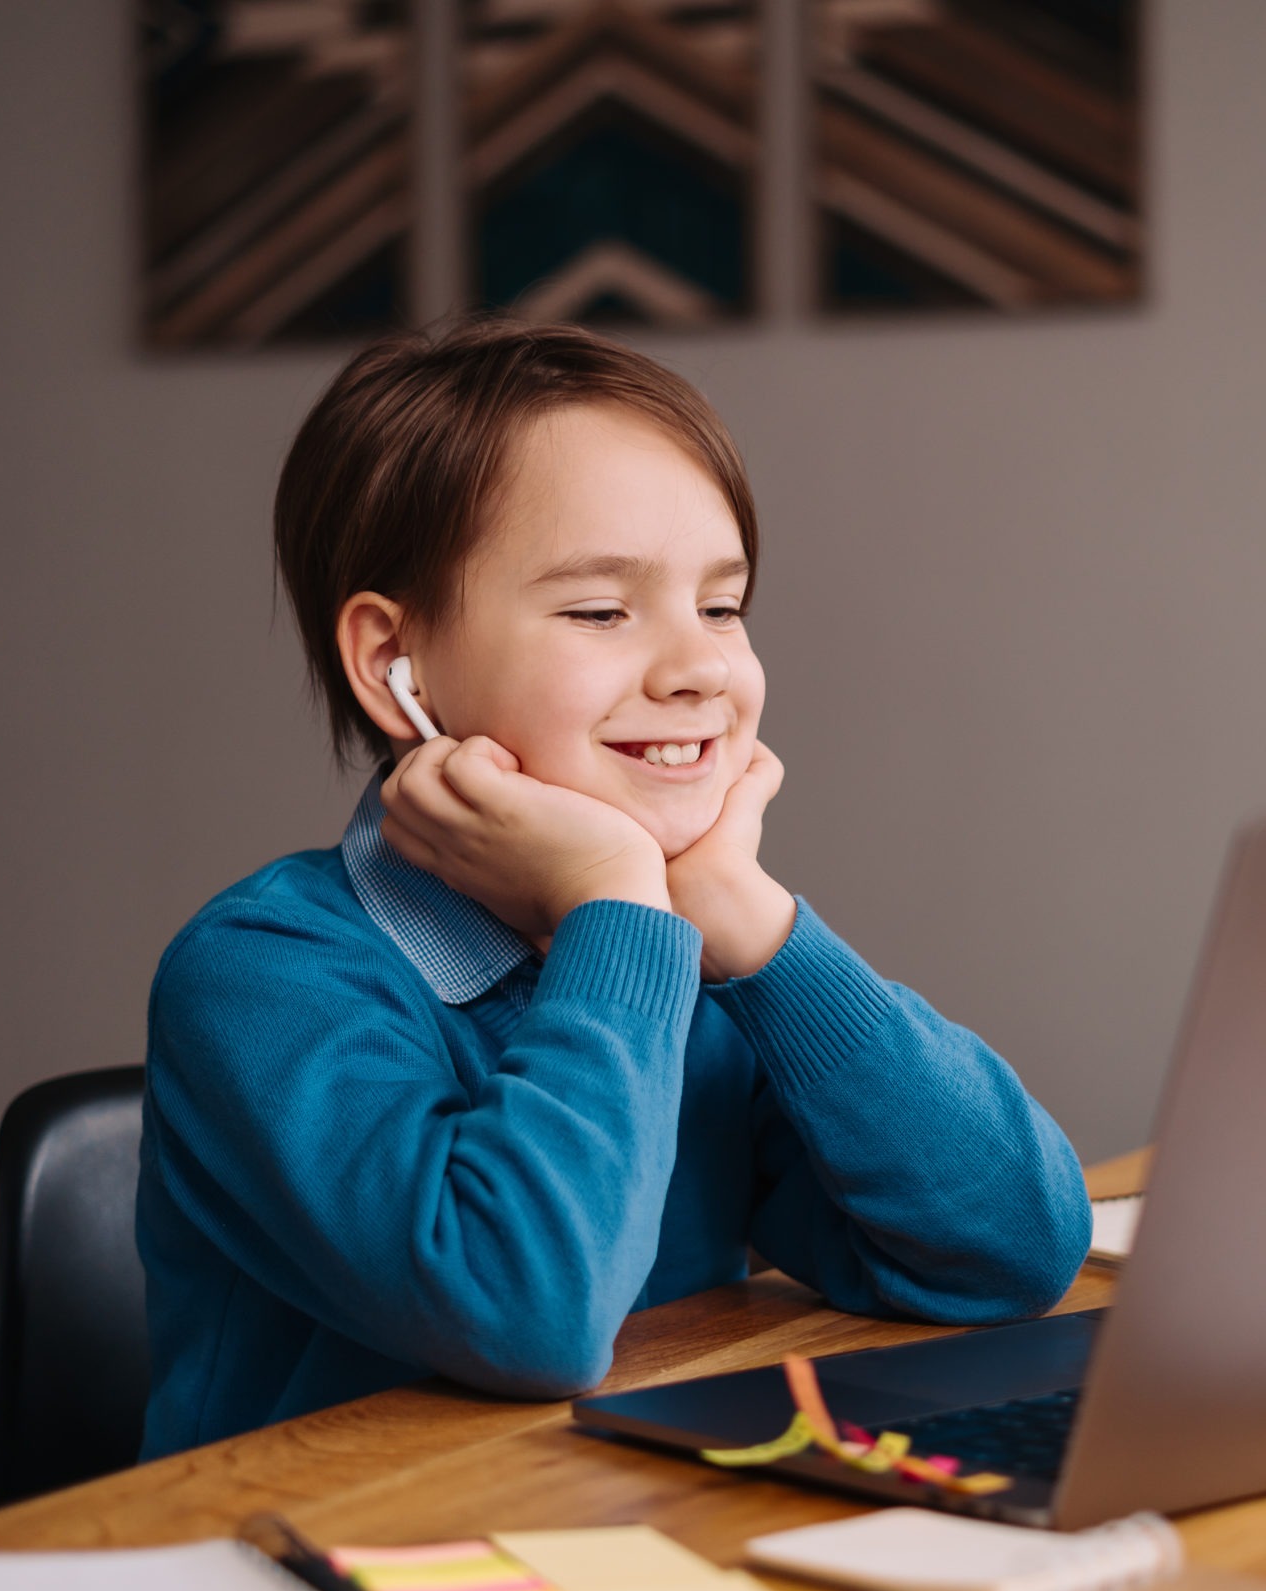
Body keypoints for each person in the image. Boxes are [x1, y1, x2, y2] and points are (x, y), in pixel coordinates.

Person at [135, 318, 1092, 1458]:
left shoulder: (689, 960)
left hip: (615, 1540)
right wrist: (616, 913)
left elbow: (1013, 1249)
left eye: (723, 606)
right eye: (600, 610)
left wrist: (758, 928)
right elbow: (528, 1315)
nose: (697, 668)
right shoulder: (263, 974)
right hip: (321, 1576)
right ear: (397, 665)